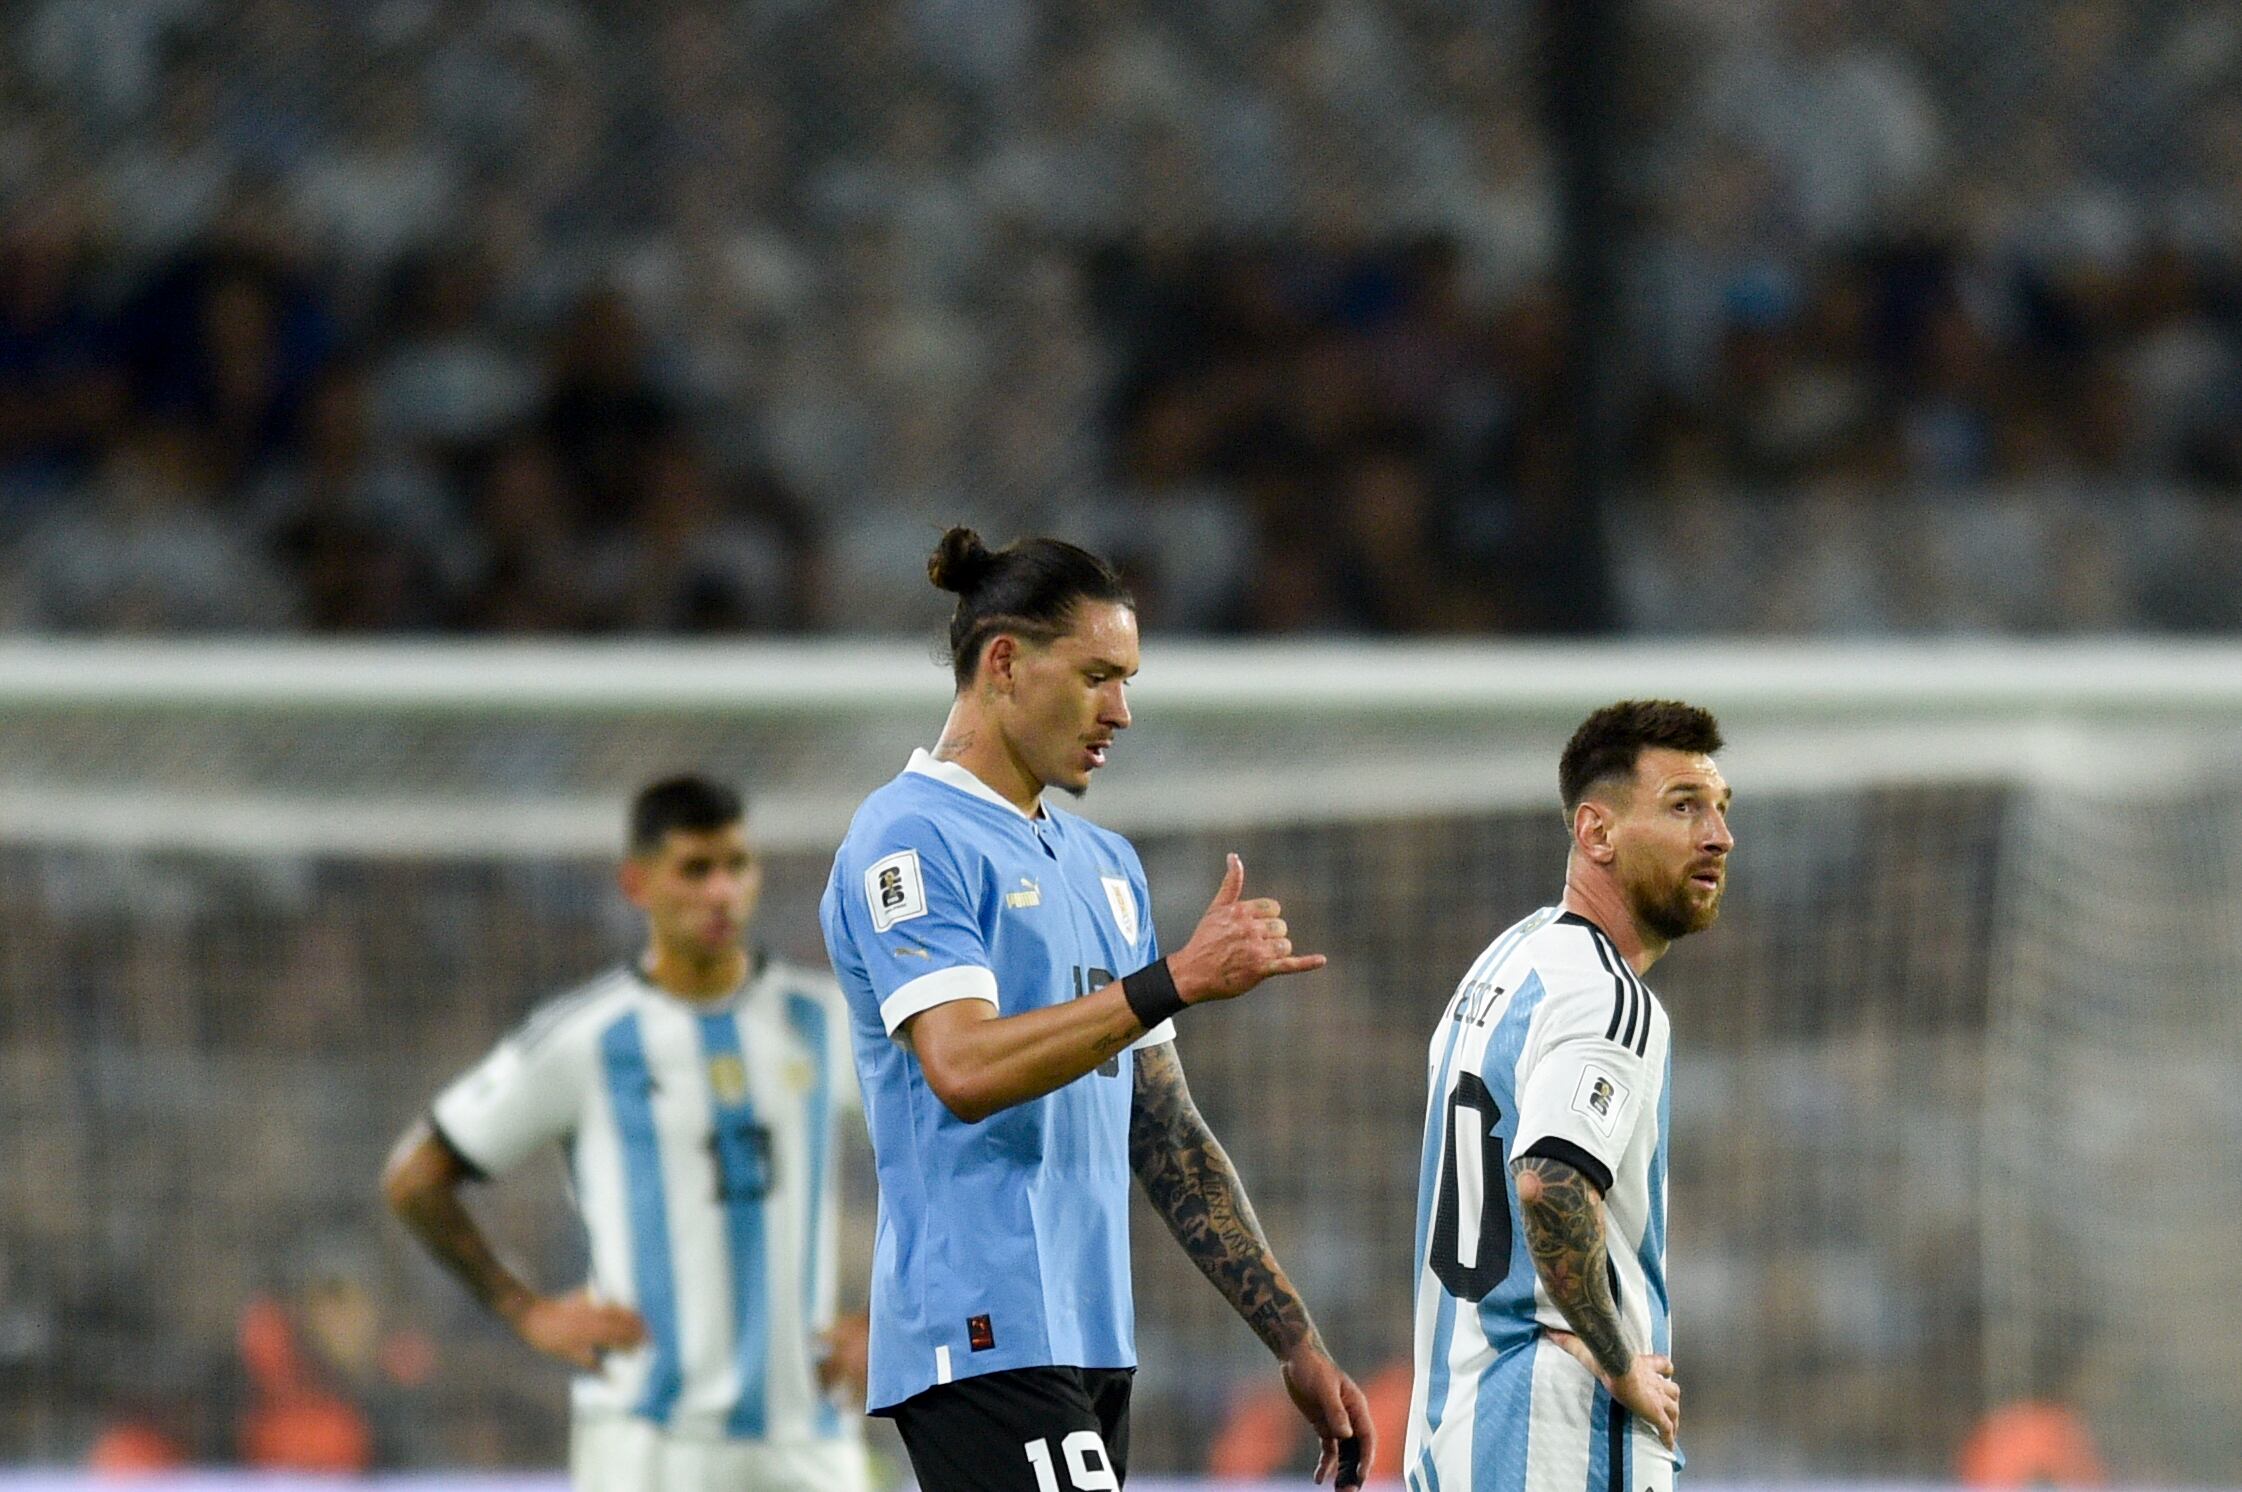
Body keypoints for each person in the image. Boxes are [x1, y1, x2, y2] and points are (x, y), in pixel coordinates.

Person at [819, 528, 1375, 1492]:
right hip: (980, 1325)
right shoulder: (908, 837)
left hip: (1090, 1331)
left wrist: (1294, 1340)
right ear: (1003, 664)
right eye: (1096, 676)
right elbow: (963, 1069)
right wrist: (1173, 980)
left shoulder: (1107, 867)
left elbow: (1164, 1128)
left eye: (1128, 681)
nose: (1120, 711)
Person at [381, 776, 869, 1492]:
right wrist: (524, 1308)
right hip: (647, 1439)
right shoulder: (586, 1039)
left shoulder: (823, 1021)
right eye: (695, 870)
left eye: (737, 866)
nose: (721, 892)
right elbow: (415, 1176)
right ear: (637, 884)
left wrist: (893, 1319)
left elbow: (953, 1147)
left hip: (809, 1432)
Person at [1404, 701, 1733, 1492]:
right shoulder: (1606, 997)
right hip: (1557, 1425)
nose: (1718, 836)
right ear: (1596, 833)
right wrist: (1621, 1363)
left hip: (1457, 1419)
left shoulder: (1507, 962)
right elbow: (1548, 1182)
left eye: (1722, 810)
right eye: (1684, 806)